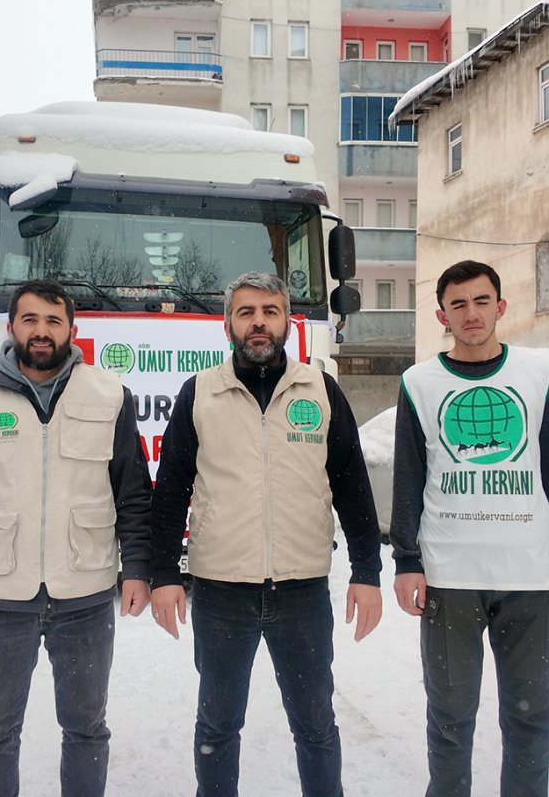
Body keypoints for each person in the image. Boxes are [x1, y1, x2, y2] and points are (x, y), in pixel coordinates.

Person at [149, 270, 382, 797]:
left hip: (301, 592)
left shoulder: (320, 389)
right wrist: (164, 572)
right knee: (217, 726)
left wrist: (367, 571)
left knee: (316, 727)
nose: (259, 323)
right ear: (227, 324)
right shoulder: (199, 394)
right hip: (220, 592)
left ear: (287, 321)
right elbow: (170, 490)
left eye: (270, 311)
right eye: (247, 312)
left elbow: (352, 486)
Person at [0, 279, 151, 797]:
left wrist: (136, 567)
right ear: (12, 328)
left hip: (86, 596)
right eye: (30, 320)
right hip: (0, 596)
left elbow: (133, 493)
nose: (41, 332)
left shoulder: (109, 393)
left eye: (53, 321)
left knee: (87, 728)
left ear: (72, 329)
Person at [390, 260, 549, 797]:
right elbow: (409, 477)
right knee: (450, 717)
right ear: (441, 315)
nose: (471, 313)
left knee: (531, 715)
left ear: (500, 307)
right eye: (458, 304)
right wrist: (407, 560)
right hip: (449, 577)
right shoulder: (418, 383)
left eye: (481, 301)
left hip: (530, 572)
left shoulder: (539, 374)